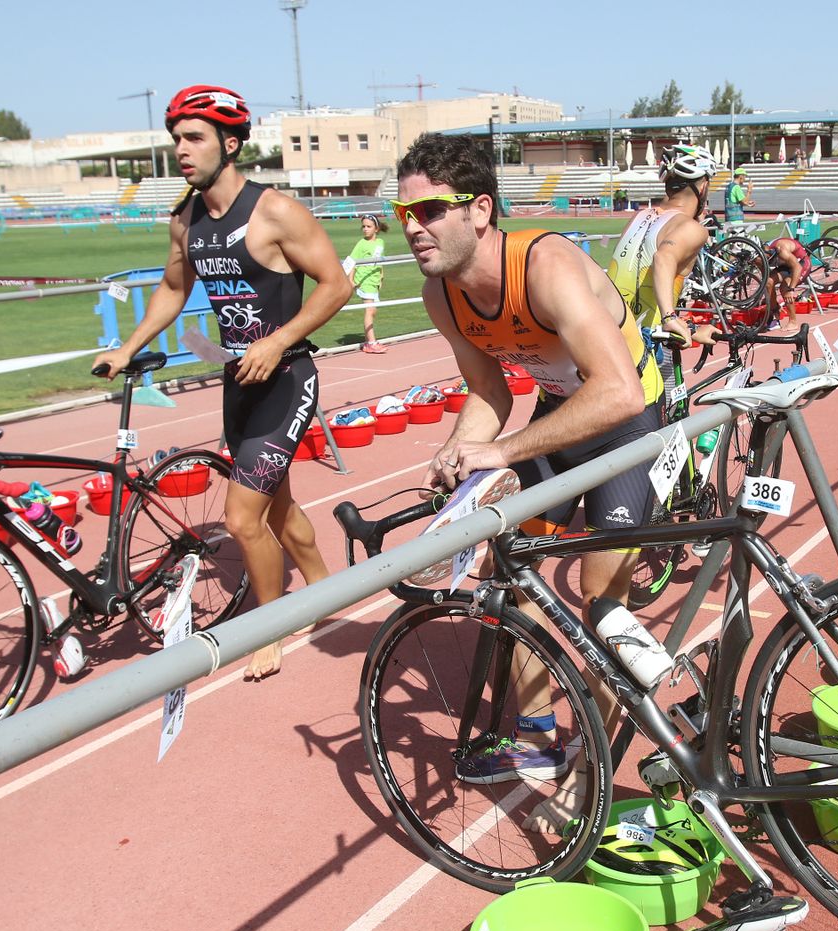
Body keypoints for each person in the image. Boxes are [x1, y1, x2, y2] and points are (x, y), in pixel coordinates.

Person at [395, 133, 665, 784]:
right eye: (406, 213)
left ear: (480, 211)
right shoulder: (444, 295)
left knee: (602, 599)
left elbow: (618, 390)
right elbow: (488, 389)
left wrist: (501, 451)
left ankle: (597, 757)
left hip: (629, 422)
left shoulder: (545, 266)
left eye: (430, 211)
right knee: (515, 578)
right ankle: (537, 738)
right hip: (562, 416)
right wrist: (461, 446)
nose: (414, 227)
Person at [95, 85, 350, 682]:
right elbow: (171, 289)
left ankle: (271, 627)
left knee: (240, 519)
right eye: (175, 140)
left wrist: (279, 339)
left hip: (287, 381)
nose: (181, 150)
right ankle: (322, 587)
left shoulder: (275, 212)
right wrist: (127, 348)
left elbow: (336, 284)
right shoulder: (186, 219)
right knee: (278, 512)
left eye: (194, 139)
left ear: (230, 144)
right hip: (239, 385)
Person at [605, 143, 721, 393]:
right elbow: (663, 257)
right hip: (648, 345)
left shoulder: (638, 217)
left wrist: (690, 328)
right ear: (703, 187)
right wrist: (670, 318)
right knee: (666, 426)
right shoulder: (692, 229)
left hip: (611, 334)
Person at [349, 214, 389, 353]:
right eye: (363, 226)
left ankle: (369, 341)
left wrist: (381, 276)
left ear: (376, 229)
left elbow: (378, 261)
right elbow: (352, 262)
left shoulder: (380, 242)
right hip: (364, 280)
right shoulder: (361, 244)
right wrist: (351, 280)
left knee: (373, 311)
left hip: (374, 281)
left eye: (368, 226)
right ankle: (371, 343)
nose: (365, 229)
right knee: (370, 310)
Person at [765, 233, 812, 325]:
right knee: (768, 282)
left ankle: (793, 321)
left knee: (785, 289)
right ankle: (775, 309)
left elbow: (797, 267)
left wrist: (791, 289)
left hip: (801, 264)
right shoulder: (763, 253)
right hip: (786, 265)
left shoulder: (781, 249)